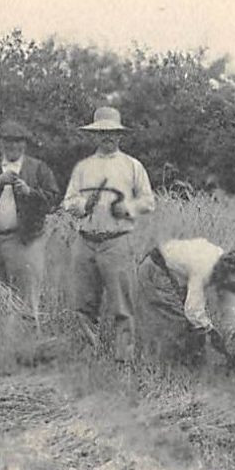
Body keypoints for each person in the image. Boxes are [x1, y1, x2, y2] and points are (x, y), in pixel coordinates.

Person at [60, 107, 156, 356]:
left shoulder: (132, 166)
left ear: (120, 135)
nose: (108, 137)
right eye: (102, 132)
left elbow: (148, 202)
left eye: (113, 132)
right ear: (94, 135)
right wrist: (83, 206)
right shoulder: (83, 167)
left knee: (122, 305)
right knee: (83, 304)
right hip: (86, 241)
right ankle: (89, 354)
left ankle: (123, 359)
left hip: (117, 242)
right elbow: (68, 202)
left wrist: (128, 208)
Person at [0, 120, 60, 314]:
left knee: (25, 300)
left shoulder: (37, 168)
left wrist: (30, 192)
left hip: (24, 241)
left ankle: (26, 342)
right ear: (1, 144)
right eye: (8, 141)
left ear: (24, 144)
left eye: (18, 141)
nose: (13, 146)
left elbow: (53, 198)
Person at [138, 238, 235, 369]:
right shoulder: (204, 266)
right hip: (155, 269)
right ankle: (167, 369)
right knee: (178, 323)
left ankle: (188, 366)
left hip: (172, 274)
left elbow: (228, 307)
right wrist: (213, 334)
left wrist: (234, 337)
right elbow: (193, 310)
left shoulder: (222, 263)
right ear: (225, 272)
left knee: (193, 326)